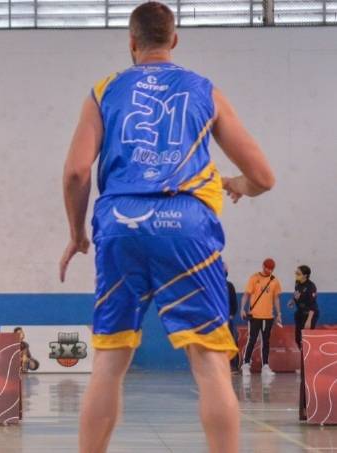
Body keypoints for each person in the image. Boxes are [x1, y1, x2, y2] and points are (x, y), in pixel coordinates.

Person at [57, 3, 275, 453]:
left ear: (131, 42)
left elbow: (77, 172)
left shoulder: (105, 91)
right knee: (210, 366)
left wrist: (76, 233)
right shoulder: (204, 90)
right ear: (174, 41)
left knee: (109, 363)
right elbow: (264, 177)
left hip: (120, 223)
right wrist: (237, 184)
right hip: (187, 225)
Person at [241, 258, 283, 377]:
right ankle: (246, 364)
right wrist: (242, 309)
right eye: (267, 267)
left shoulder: (274, 281)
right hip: (255, 316)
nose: (269, 270)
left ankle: (265, 366)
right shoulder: (254, 278)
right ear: (263, 266)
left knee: (266, 341)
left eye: (271, 269)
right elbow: (246, 295)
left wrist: (279, 314)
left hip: (268, 317)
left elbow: (276, 299)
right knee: (252, 340)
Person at [290, 265, 317, 348]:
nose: (296, 275)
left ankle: (308, 357)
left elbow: (313, 305)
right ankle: (302, 350)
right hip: (300, 313)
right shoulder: (297, 282)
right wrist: (292, 301)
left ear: (305, 275)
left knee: (306, 339)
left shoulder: (311, 287)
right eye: (296, 273)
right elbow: (296, 293)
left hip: (309, 314)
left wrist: (309, 321)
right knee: (298, 339)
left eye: (298, 273)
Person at [226, 264, 240, 372]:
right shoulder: (212, 286)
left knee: (231, 342)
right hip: (216, 320)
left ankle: (234, 366)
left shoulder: (229, 286)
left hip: (227, 319)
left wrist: (231, 315)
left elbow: (234, 303)